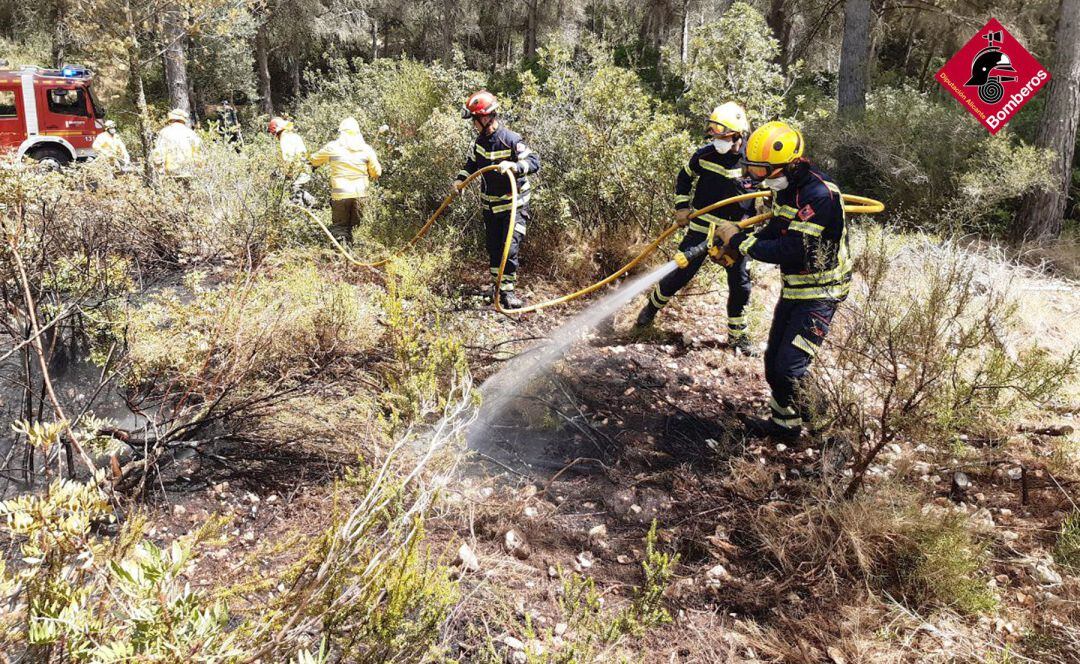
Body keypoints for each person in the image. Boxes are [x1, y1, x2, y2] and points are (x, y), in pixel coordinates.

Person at [713, 121, 849, 442]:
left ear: (789, 164)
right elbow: (777, 229)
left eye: (762, 171)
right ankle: (784, 425)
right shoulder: (786, 189)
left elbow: (792, 250)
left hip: (821, 293)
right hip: (795, 290)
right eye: (753, 169)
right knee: (773, 364)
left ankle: (830, 436)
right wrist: (739, 241)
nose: (757, 177)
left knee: (791, 369)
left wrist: (740, 243)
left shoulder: (820, 196)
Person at [633, 102, 756, 355]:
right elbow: (684, 177)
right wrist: (682, 207)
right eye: (714, 134)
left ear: (738, 135)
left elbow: (765, 194)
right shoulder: (704, 155)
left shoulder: (752, 161)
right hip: (701, 228)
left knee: (740, 283)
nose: (717, 141)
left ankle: (737, 337)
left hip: (734, 234)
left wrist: (752, 227)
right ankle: (649, 312)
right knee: (680, 273)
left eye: (723, 136)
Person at [453, 91, 540, 309]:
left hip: (514, 205)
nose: (473, 125)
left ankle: (507, 293)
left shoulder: (510, 139)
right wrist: (460, 180)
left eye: (474, 120)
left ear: (485, 118)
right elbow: (471, 164)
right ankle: (497, 287)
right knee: (493, 248)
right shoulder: (480, 142)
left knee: (509, 248)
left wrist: (514, 166)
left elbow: (534, 162)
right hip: (490, 206)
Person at [308, 117, 382, 243]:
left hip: (340, 195)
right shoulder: (367, 149)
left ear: (341, 132)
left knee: (340, 228)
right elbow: (377, 173)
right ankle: (357, 251)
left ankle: (341, 251)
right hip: (360, 194)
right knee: (357, 228)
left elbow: (313, 160)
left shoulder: (332, 147)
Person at [268, 116, 311, 204]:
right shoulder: (294, 135)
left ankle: (301, 210)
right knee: (303, 195)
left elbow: (288, 159)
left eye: (274, 134)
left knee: (296, 200)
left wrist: (283, 174)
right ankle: (316, 206)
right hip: (305, 171)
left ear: (276, 131)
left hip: (298, 174)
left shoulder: (285, 138)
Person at [151, 109, 203, 179]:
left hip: (170, 175)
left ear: (171, 119)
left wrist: (159, 171)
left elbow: (158, 154)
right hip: (188, 173)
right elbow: (198, 155)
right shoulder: (191, 134)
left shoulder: (164, 132)